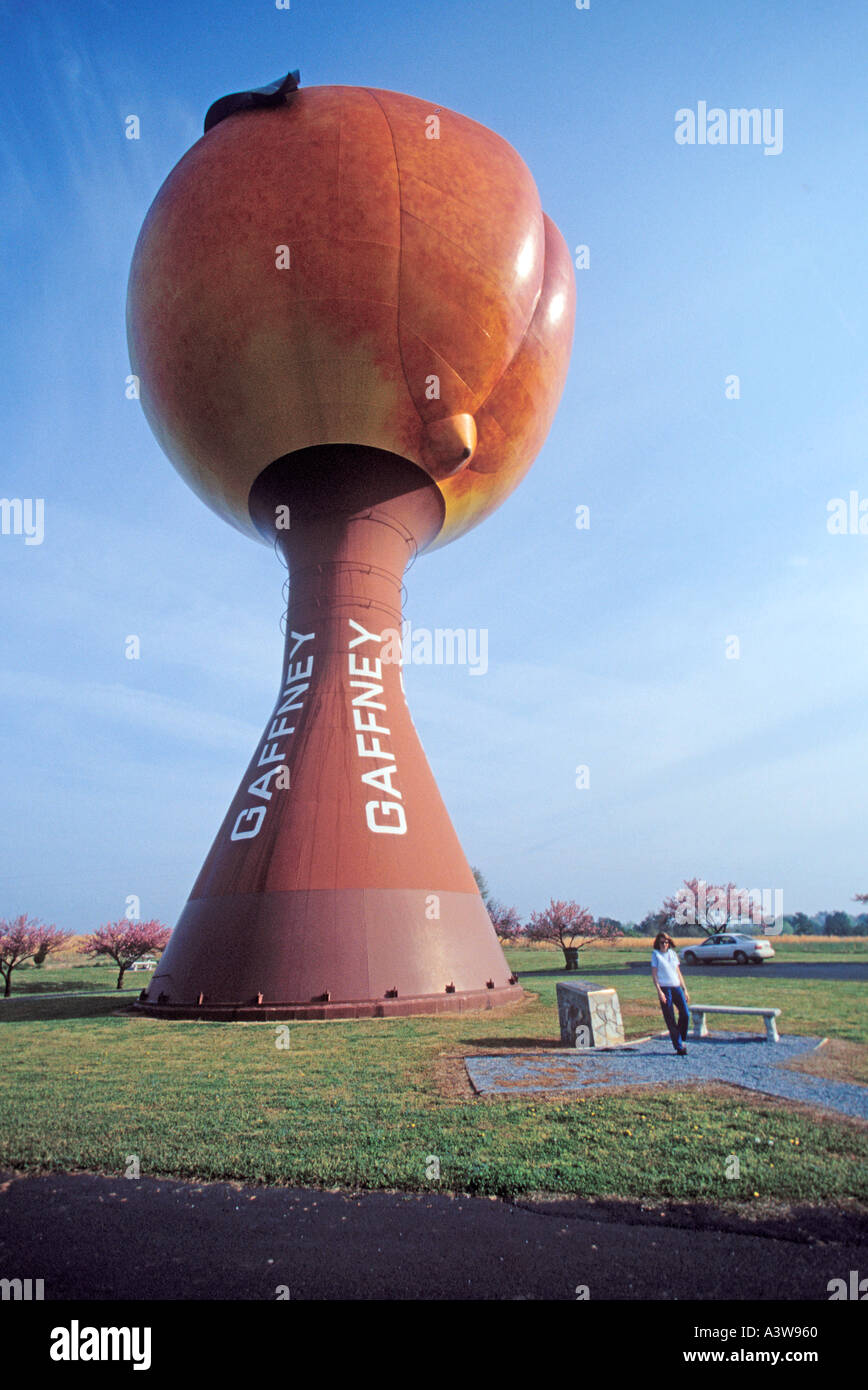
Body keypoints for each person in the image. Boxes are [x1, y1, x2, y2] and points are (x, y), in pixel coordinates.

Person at [651, 931, 690, 1056]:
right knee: (670, 1018)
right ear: (658, 943)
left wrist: (685, 989)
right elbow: (655, 975)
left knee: (685, 1013)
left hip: (676, 986)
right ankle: (679, 1047)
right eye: (662, 942)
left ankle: (680, 1035)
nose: (664, 944)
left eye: (666, 942)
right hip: (665, 988)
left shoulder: (673, 954)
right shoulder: (656, 955)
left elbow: (678, 972)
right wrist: (660, 992)